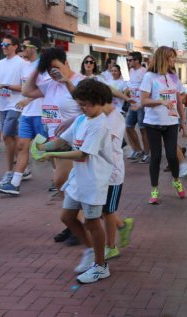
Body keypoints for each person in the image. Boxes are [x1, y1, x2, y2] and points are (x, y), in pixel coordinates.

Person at [36, 78, 114, 284]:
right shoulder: (82, 119)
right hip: (78, 180)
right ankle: (90, 250)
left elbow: (82, 155)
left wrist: (51, 156)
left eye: (85, 104)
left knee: (92, 222)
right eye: (80, 104)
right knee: (67, 218)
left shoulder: (100, 125)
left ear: (99, 101)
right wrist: (42, 148)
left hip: (94, 182)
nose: (82, 108)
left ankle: (100, 266)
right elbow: (63, 140)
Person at [23, 47, 85, 244]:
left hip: (72, 141)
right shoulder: (49, 85)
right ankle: (73, 224)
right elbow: (26, 90)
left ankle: (80, 226)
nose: (53, 73)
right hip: (53, 141)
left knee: (62, 182)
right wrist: (39, 67)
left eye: (56, 67)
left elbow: (88, 107)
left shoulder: (81, 81)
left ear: (66, 63)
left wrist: (72, 121)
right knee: (63, 185)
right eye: (49, 70)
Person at [0, 37, 48, 195]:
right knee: (22, 146)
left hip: (41, 113)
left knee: (47, 149)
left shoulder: (43, 66)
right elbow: (25, 88)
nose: (22, 49)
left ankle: (60, 178)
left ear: (34, 48)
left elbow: (47, 89)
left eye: (25, 46)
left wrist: (28, 99)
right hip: (26, 113)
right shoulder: (26, 67)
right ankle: (15, 183)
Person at [138, 46, 187, 204]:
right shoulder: (149, 77)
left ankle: (176, 180)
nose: (173, 60)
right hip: (153, 123)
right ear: (163, 58)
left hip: (171, 122)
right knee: (156, 157)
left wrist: (183, 121)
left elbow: (179, 100)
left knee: (172, 155)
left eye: (174, 57)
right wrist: (160, 101)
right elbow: (144, 101)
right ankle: (154, 190)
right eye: (171, 57)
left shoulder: (173, 76)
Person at [101, 88, 134, 259]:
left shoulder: (116, 117)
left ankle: (111, 246)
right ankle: (122, 225)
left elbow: (104, 143)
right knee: (100, 210)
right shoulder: (97, 116)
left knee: (107, 211)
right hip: (98, 172)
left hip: (112, 174)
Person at [0, 35, 27, 189]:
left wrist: (4, 85)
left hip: (16, 104)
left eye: (7, 44)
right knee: (11, 138)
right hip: (3, 104)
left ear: (15, 46)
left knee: (6, 135)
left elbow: (24, 88)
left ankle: (10, 171)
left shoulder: (22, 64)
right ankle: (23, 168)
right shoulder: (0, 63)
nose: (3, 46)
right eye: (1, 44)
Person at [125, 52, 150, 163]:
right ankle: (138, 150)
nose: (128, 62)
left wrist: (142, 104)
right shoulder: (130, 71)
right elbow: (130, 85)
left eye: (130, 60)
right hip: (132, 104)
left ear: (137, 60)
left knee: (143, 130)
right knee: (128, 127)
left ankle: (147, 153)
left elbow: (147, 89)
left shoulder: (145, 72)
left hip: (141, 105)